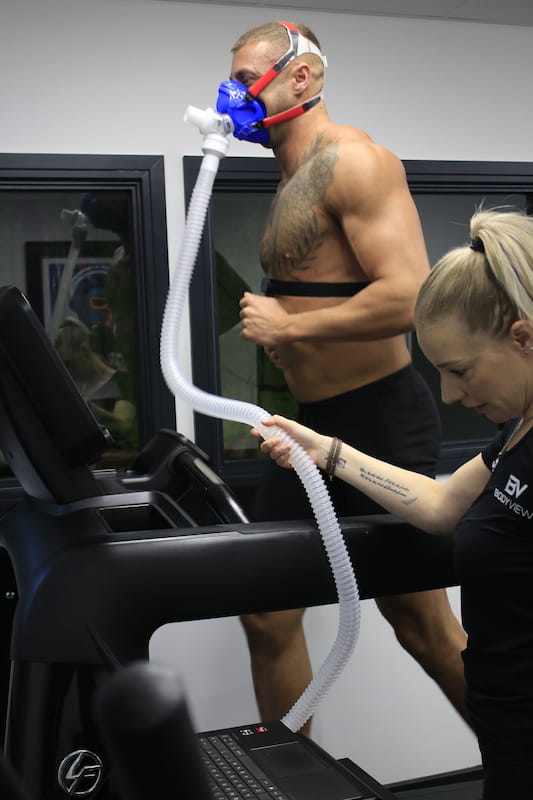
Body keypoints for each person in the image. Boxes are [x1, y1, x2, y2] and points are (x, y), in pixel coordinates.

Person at [224, 21, 468, 733]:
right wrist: (291, 335)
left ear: (300, 78)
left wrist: (292, 327)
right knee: (266, 614)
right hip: (307, 427)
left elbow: (410, 295)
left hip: (379, 419)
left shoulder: (356, 161)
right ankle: (290, 779)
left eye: (245, 80)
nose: (231, 95)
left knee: (418, 622)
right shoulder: (291, 178)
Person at [255, 208, 533, 799]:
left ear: (524, 337)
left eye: (459, 371)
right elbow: (438, 504)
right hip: (508, 733)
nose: (450, 394)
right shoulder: (518, 432)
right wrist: (326, 451)